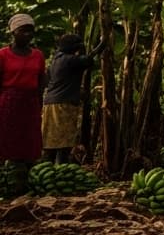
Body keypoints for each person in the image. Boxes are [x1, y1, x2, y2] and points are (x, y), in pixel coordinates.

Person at [0, 14, 45, 193]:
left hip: (31, 101)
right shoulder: (3, 54)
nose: (27, 34)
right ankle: (7, 179)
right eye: (23, 31)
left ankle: (28, 181)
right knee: (6, 138)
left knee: (30, 140)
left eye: (30, 31)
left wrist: (39, 99)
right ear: (13, 32)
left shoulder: (38, 55)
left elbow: (41, 78)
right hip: (9, 100)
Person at [41, 34, 97, 164]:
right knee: (64, 143)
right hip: (64, 105)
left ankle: (48, 169)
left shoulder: (55, 60)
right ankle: (60, 169)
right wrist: (102, 44)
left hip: (50, 103)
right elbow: (89, 60)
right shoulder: (69, 60)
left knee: (50, 142)